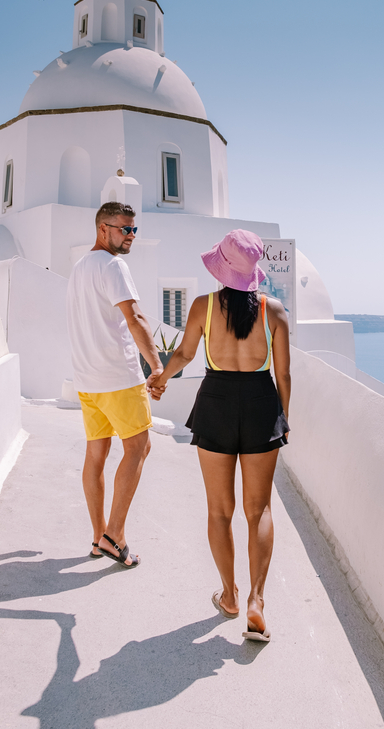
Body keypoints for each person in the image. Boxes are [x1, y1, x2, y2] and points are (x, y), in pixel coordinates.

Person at [157, 229, 291, 642]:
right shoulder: (274, 312)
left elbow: (183, 355)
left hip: (215, 401)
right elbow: (283, 373)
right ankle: (257, 601)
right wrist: (282, 418)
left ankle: (229, 596)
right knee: (260, 510)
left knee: (219, 510)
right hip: (259, 402)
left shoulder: (203, 306)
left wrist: (159, 380)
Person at [66, 202, 166, 568]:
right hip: (118, 378)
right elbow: (136, 316)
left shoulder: (79, 268)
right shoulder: (113, 265)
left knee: (97, 455)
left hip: (87, 379)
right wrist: (157, 365)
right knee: (139, 448)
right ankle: (114, 535)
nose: (131, 236)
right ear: (103, 228)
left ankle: (98, 538)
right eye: (125, 229)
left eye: (134, 230)